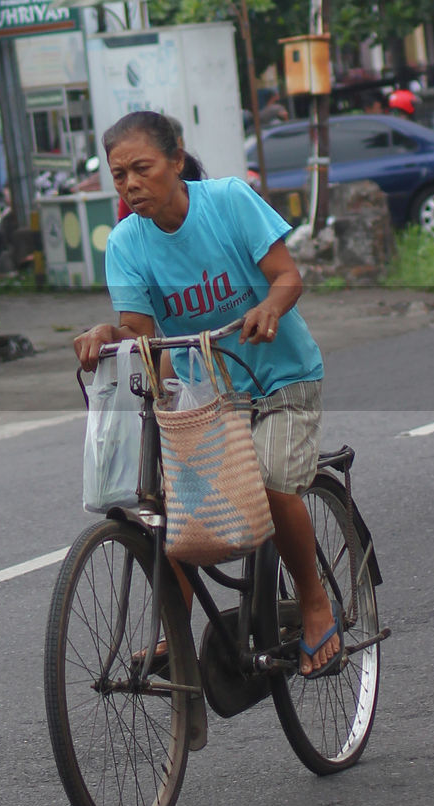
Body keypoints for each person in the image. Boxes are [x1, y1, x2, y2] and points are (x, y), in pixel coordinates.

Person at [72, 110, 341, 679]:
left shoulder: (228, 202)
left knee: (268, 481)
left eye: (141, 169)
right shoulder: (126, 242)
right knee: (169, 502)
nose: (130, 185)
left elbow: (287, 277)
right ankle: (177, 626)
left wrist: (269, 307)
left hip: (283, 379)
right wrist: (106, 334)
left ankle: (316, 604)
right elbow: (141, 335)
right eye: (119, 176)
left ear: (175, 159)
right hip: (210, 396)